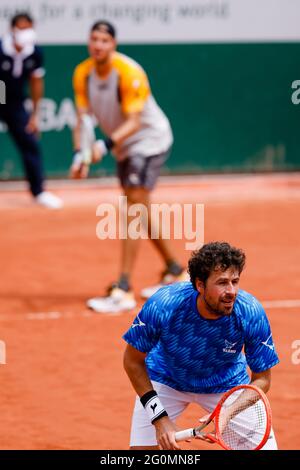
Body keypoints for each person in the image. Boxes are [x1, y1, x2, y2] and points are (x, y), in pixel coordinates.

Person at [71, 20, 186, 313]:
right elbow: (82, 120)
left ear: (114, 44)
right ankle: (176, 270)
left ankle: (123, 288)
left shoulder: (129, 73)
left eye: (104, 40)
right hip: (125, 147)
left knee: (132, 207)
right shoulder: (82, 74)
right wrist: (79, 155)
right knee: (139, 208)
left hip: (148, 141)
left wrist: (103, 146)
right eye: (94, 39)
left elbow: (134, 122)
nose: (98, 45)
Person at [123, 241, 279, 450]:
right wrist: (160, 419)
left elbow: (262, 379)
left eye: (235, 281)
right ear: (199, 285)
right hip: (167, 378)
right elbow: (132, 361)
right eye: (222, 282)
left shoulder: (250, 312)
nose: (231, 291)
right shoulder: (164, 305)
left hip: (227, 384)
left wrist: (228, 411)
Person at [0, 12, 63, 209]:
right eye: (21, 28)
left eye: (28, 28)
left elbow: (36, 83)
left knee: (30, 143)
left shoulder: (35, 53)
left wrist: (34, 115)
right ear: (12, 30)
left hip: (16, 104)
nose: (25, 33)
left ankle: (39, 192)